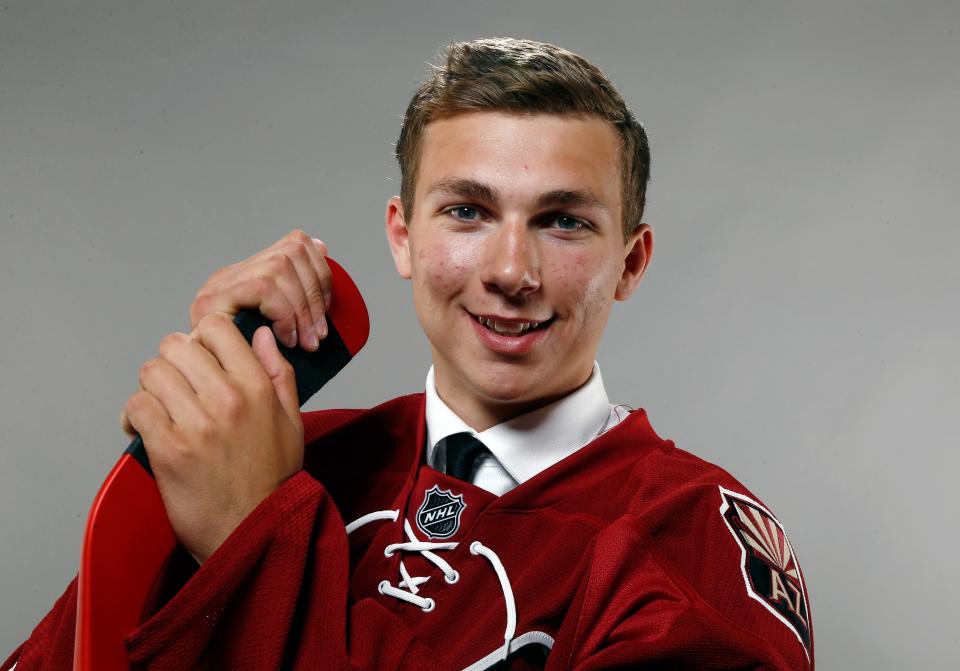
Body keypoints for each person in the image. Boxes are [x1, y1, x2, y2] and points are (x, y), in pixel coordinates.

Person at [4, 37, 813, 670]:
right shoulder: (291, 458)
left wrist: (254, 541)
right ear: (403, 235)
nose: (509, 272)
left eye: (563, 221)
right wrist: (186, 449)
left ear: (630, 262)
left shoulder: (698, 543)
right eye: (467, 211)